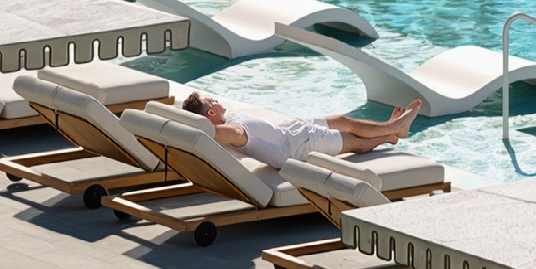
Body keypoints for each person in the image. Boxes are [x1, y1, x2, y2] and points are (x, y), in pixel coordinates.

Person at [180, 91, 422, 167]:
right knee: (355, 142)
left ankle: (391, 130)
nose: (215, 99)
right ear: (210, 114)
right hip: (298, 145)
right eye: (211, 101)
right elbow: (214, 132)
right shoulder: (234, 132)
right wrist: (193, 125)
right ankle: (394, 131)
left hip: (291, 129)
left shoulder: (228, 120)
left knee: (343, 120)